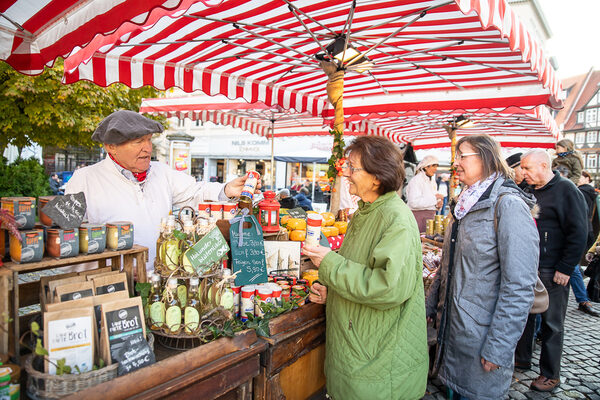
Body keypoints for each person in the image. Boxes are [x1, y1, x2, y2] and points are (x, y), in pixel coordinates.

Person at [302, 136, 428, 400]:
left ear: (377, 178)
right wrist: (332, 292)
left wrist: (329, 263)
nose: (346, 173)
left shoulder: (396, 220)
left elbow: (386, 286)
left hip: (378, 364)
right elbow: (360, 271)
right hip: (359, 353)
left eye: (353, 167)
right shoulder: (366, 212)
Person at [65, 110, 257, 273]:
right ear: (111, 146)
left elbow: (194, 192)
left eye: (148, 140)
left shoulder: (161, 172)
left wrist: (227, 189)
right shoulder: (83, 179)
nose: (147, 148)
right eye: (138, 142)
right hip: (109, 285)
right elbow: (63, 236)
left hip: (158, 278)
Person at [425, 134, 539, 400]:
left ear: (486, 158)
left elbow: (520, 286)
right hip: (456, 333)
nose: (456, 163)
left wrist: (499, 347)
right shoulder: (464, 203)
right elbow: (447, 267)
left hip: (482, 335)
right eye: (456, 157)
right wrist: (431, 306)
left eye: (462, 156)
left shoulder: (508, 205)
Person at [515, 149, 588, 392]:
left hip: (552, 269)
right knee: (524, 317)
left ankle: (550, 374)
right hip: (529, 267)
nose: (523, 173)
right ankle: (522, 359)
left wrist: (566, 267)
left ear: (544, 167)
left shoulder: (566, 190)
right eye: (522, 168)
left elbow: (579, 232)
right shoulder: (528, 190)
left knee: (552, 324)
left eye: (527, 168)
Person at [572, 171, 599, 316]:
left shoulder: (579, 192)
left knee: (572, 267)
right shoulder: (586, 192)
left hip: (578, 231)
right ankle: (583, 300)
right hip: (585, 231)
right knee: (574, 268)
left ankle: (583, 300)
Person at [405, 155, 444, 232]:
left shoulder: (432, 181)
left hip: (430, 217)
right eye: (433, 166)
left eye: (436, 166)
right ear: (426, 167)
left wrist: (438, 204)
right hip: (418, 218)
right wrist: (435, 199)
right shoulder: (416, 180)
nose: (435, 169)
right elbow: (414, 202)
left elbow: (432, 198)